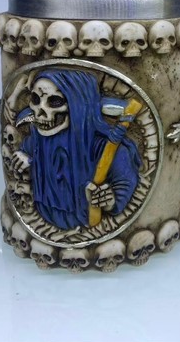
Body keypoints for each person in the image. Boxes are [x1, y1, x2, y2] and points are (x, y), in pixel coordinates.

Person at [12, 69, 141, 230]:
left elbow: (125, 182)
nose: (40, 112)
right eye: (35, 100)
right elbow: (28, 149)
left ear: (78, 107)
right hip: (39, 223)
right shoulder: (38, 140)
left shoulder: (108, 149)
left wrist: (110, 200)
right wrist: (24, 156)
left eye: (55, 102)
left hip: (88, 228)